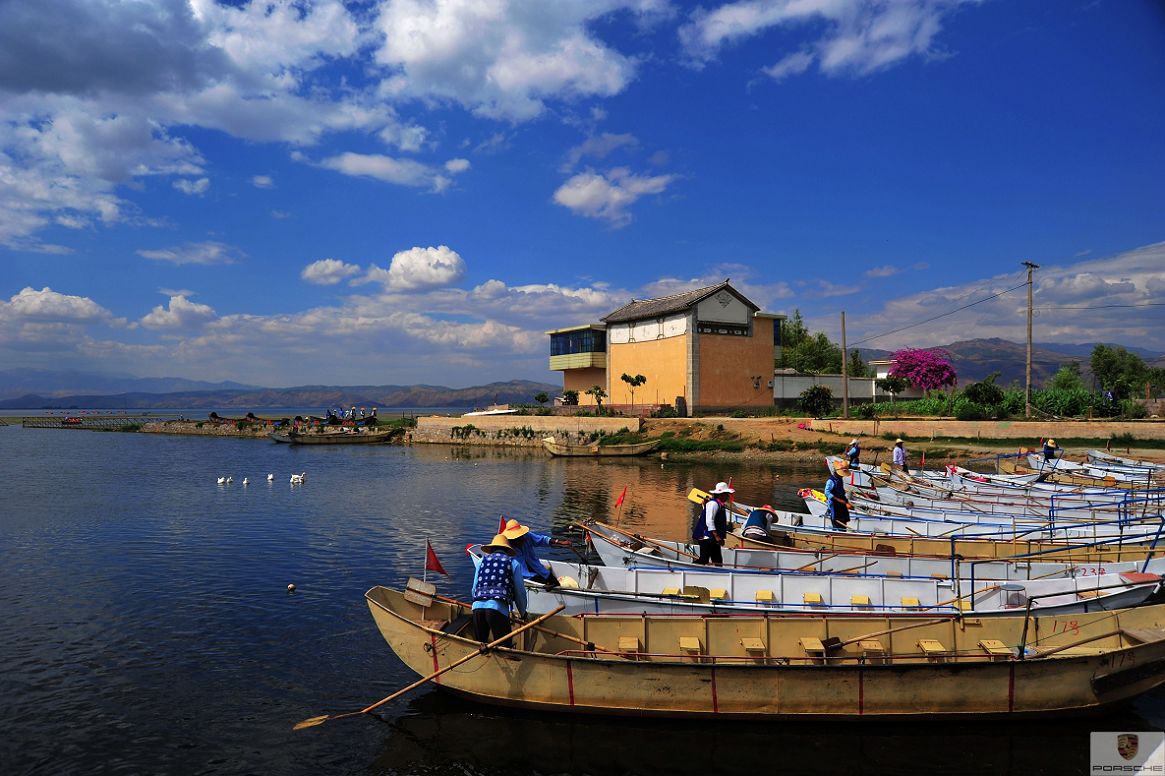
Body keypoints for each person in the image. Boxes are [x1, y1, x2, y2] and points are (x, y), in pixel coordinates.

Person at [470, 534, 528, 646]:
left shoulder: (481, 561)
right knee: (504, 646)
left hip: (477, 609)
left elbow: (474, 588)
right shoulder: (513, 563)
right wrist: (523, 613)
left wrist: (476, 605)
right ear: (507, 550)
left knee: (480, 645)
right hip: (497, 609)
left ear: (491, 549)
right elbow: (519, 593)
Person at [502, 518, 571, 588]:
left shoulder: (527, 536)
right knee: (544, 583)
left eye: (521, 537)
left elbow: (541, 540)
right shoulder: (507, 546)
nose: (521, 539)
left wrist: (559, 542)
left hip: (536, 567)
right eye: (517, 538)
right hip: (523, 577)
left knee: (554, 582)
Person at [693, 482, 732, 565]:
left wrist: (720, 538)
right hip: (707, 536)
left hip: (713, 537)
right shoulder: (713, 504)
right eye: (726, 494)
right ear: (721, 495)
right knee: (704, 560)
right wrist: (717, 536)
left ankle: (718, 574)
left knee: (717, 561)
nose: (728, 496)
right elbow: (709, 521)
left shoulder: (720, 505)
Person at [824, 463, 852, 531]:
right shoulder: (830, 481)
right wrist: (838, 499)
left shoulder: (840, 479)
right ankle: (836, 532)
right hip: (835, 503)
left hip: (842, 502)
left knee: (844, 519)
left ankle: (843, 531)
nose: (843, 476)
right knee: (836, 519)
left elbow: (839, 489)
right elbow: (827, 492)